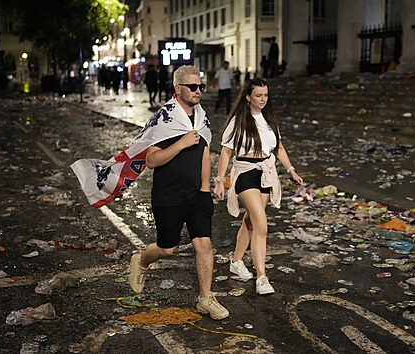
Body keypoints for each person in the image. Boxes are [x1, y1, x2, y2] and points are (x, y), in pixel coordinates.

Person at [128, 65, 229, 320]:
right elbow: (151, 160)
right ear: (177, 88)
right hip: (168, 195)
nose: (198, 92)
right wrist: (181, 142)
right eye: (192, 87)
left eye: (201, 87)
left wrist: (206, 188)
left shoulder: (201, 116)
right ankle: (141, 260)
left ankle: (205, 298)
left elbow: (205, 152)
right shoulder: (163, 119)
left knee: (204, 244)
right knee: (167, 248)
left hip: (197, 194)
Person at [213, 78, 303, 295]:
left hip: (266, 173)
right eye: (258, 95)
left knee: (251, 222)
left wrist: (291, 170)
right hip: (245, 173)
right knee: (261, 224)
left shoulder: (269, 119)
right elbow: (226, 151)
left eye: (265, 95)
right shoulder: (238, 120)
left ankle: (236, 261)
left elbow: (278, 147)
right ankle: (262, 277)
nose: (263, 99)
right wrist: (220, 180)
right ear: (248, 97)